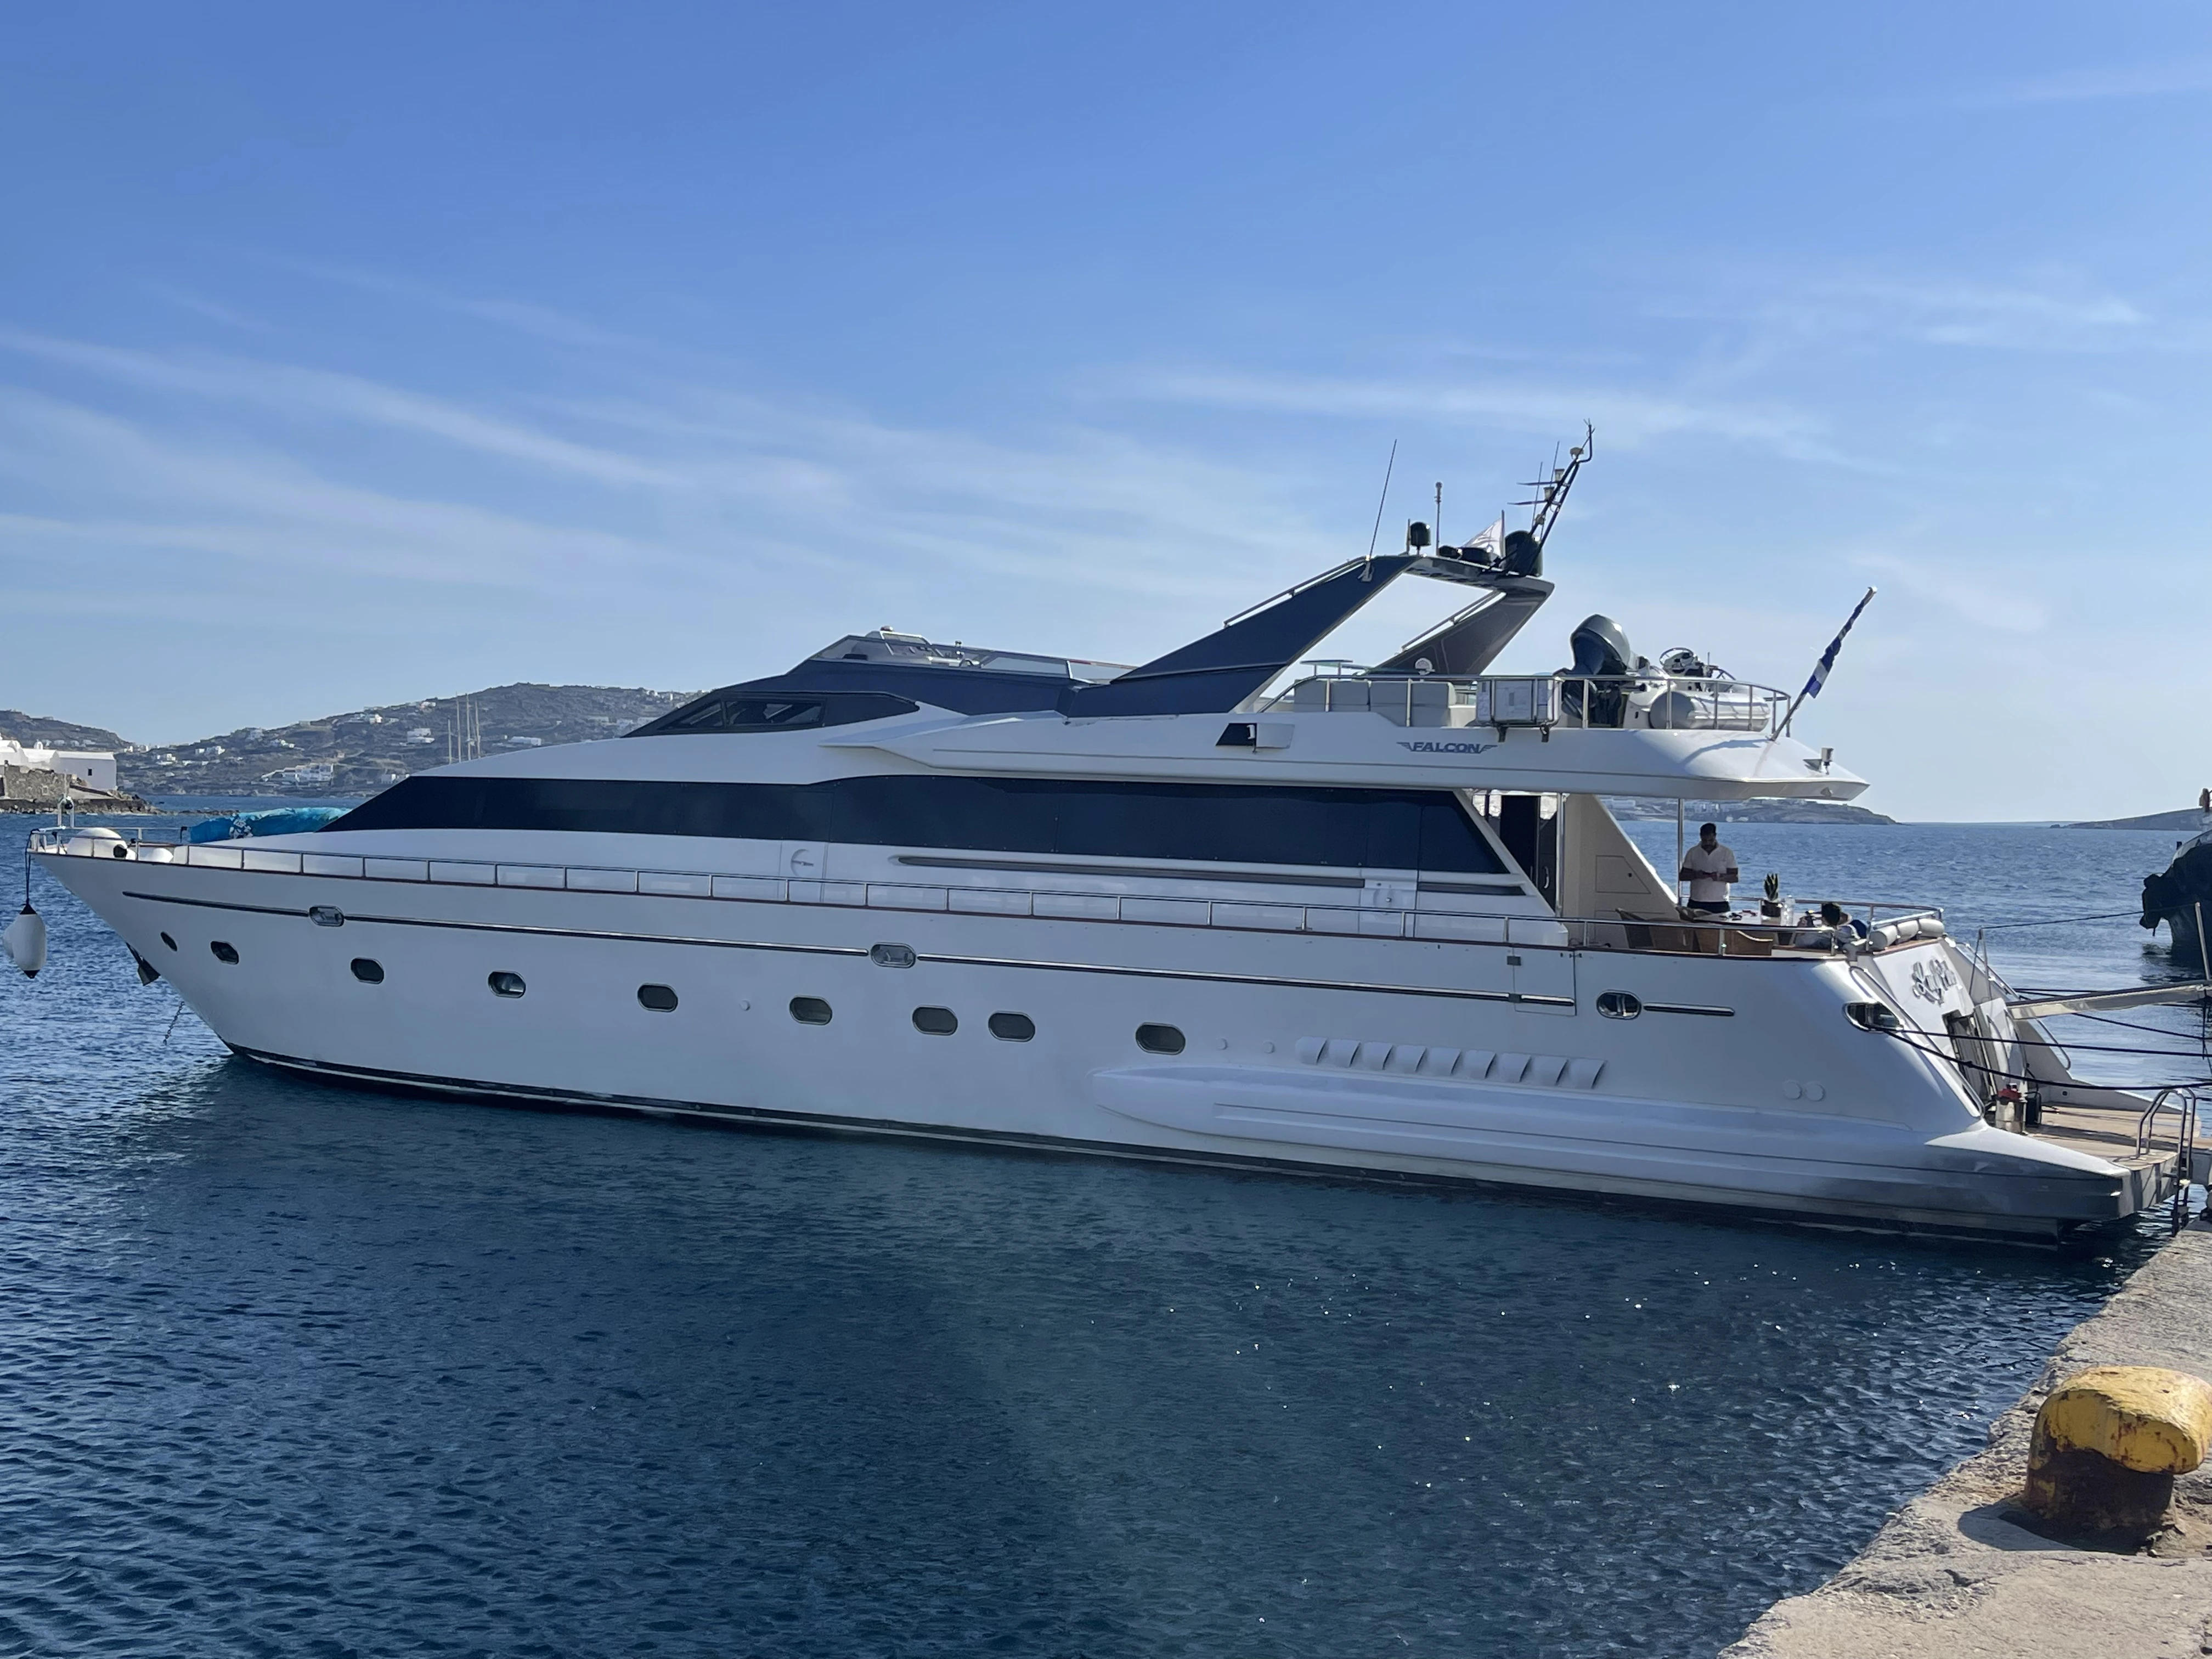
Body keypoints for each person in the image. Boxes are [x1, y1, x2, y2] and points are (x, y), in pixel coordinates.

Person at [1678, 822, 1738, 917]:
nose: (1707, 843)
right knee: (1694, 930)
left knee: (1720, 931)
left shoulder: (1726, 852)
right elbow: (1682, 876)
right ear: (1700, 837)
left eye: (1710, 840)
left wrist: (1720, 877)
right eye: (1705, 840)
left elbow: (1735, 877)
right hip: (1696, 901)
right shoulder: (1693, 852)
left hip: (1720, 902)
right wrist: (1696, 875)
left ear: (1715, 836)